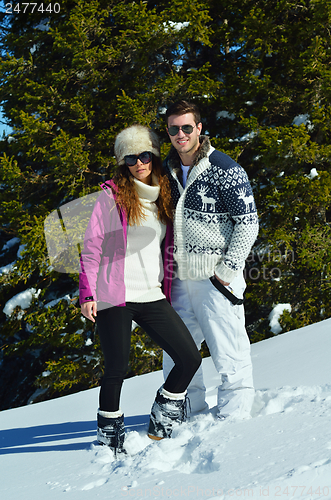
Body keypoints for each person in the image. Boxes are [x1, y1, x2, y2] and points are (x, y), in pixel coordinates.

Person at [79, 124, 201, 453]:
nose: (139, 163)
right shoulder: (111, 196)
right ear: (123, 162)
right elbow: (91, 249)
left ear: (154, 156)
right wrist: (88, 294)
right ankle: (109, 436)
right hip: (113, 296)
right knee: (117, 367)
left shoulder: (164, 193)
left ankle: (164, 411)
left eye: (145, 155)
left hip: (152, 296)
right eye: (131, 158)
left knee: (189, 358)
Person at [162, 100, 259, 421]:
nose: (180, 134)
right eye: (174, 129)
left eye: (187, 127)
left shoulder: (224, 168)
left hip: (217, 278)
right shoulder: (167, 170)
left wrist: (228, 269)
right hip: (179, 278)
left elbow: (248, 222)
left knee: (228, 347)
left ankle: (235, 419)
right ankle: (188, 413)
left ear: (199, 129)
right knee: (177, 352)